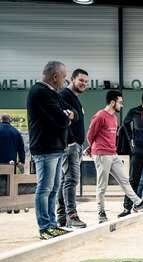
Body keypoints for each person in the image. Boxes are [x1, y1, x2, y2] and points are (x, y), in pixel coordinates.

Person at [86, 90, 143, 223]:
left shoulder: (114, 118)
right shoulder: (100, 116)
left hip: (113, 153)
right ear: (112, 102)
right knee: (102, 185)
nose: (121, 105)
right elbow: (90, 135)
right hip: (101, 154)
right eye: (120, 103)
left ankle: (138, 203)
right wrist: (94, 149)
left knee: (125, 180)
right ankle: (101, 213)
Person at [27, 61, 74, 240]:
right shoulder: (40, 92)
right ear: (55, 77)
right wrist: (66, 116)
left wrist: (68, 115)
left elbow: (72, 113)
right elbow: (61, 119)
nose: (64, 81)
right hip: (45, 148)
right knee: (45, 188)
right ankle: (45, 227)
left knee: (54, 188)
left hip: (55, 147)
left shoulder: (52, 93)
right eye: (63, 77)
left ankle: (52, 225)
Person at [57, 69, 89, 229]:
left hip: (76, 145)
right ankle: (72, 216)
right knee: (71, 180)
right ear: (72, 79)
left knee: (65, 180)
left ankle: (62, 216)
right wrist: (70, 142)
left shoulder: (74, 98)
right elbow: (62, 119)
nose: (84, 84)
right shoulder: (64, 95)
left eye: (86, 81)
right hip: (70, 146)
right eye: (81, 80)